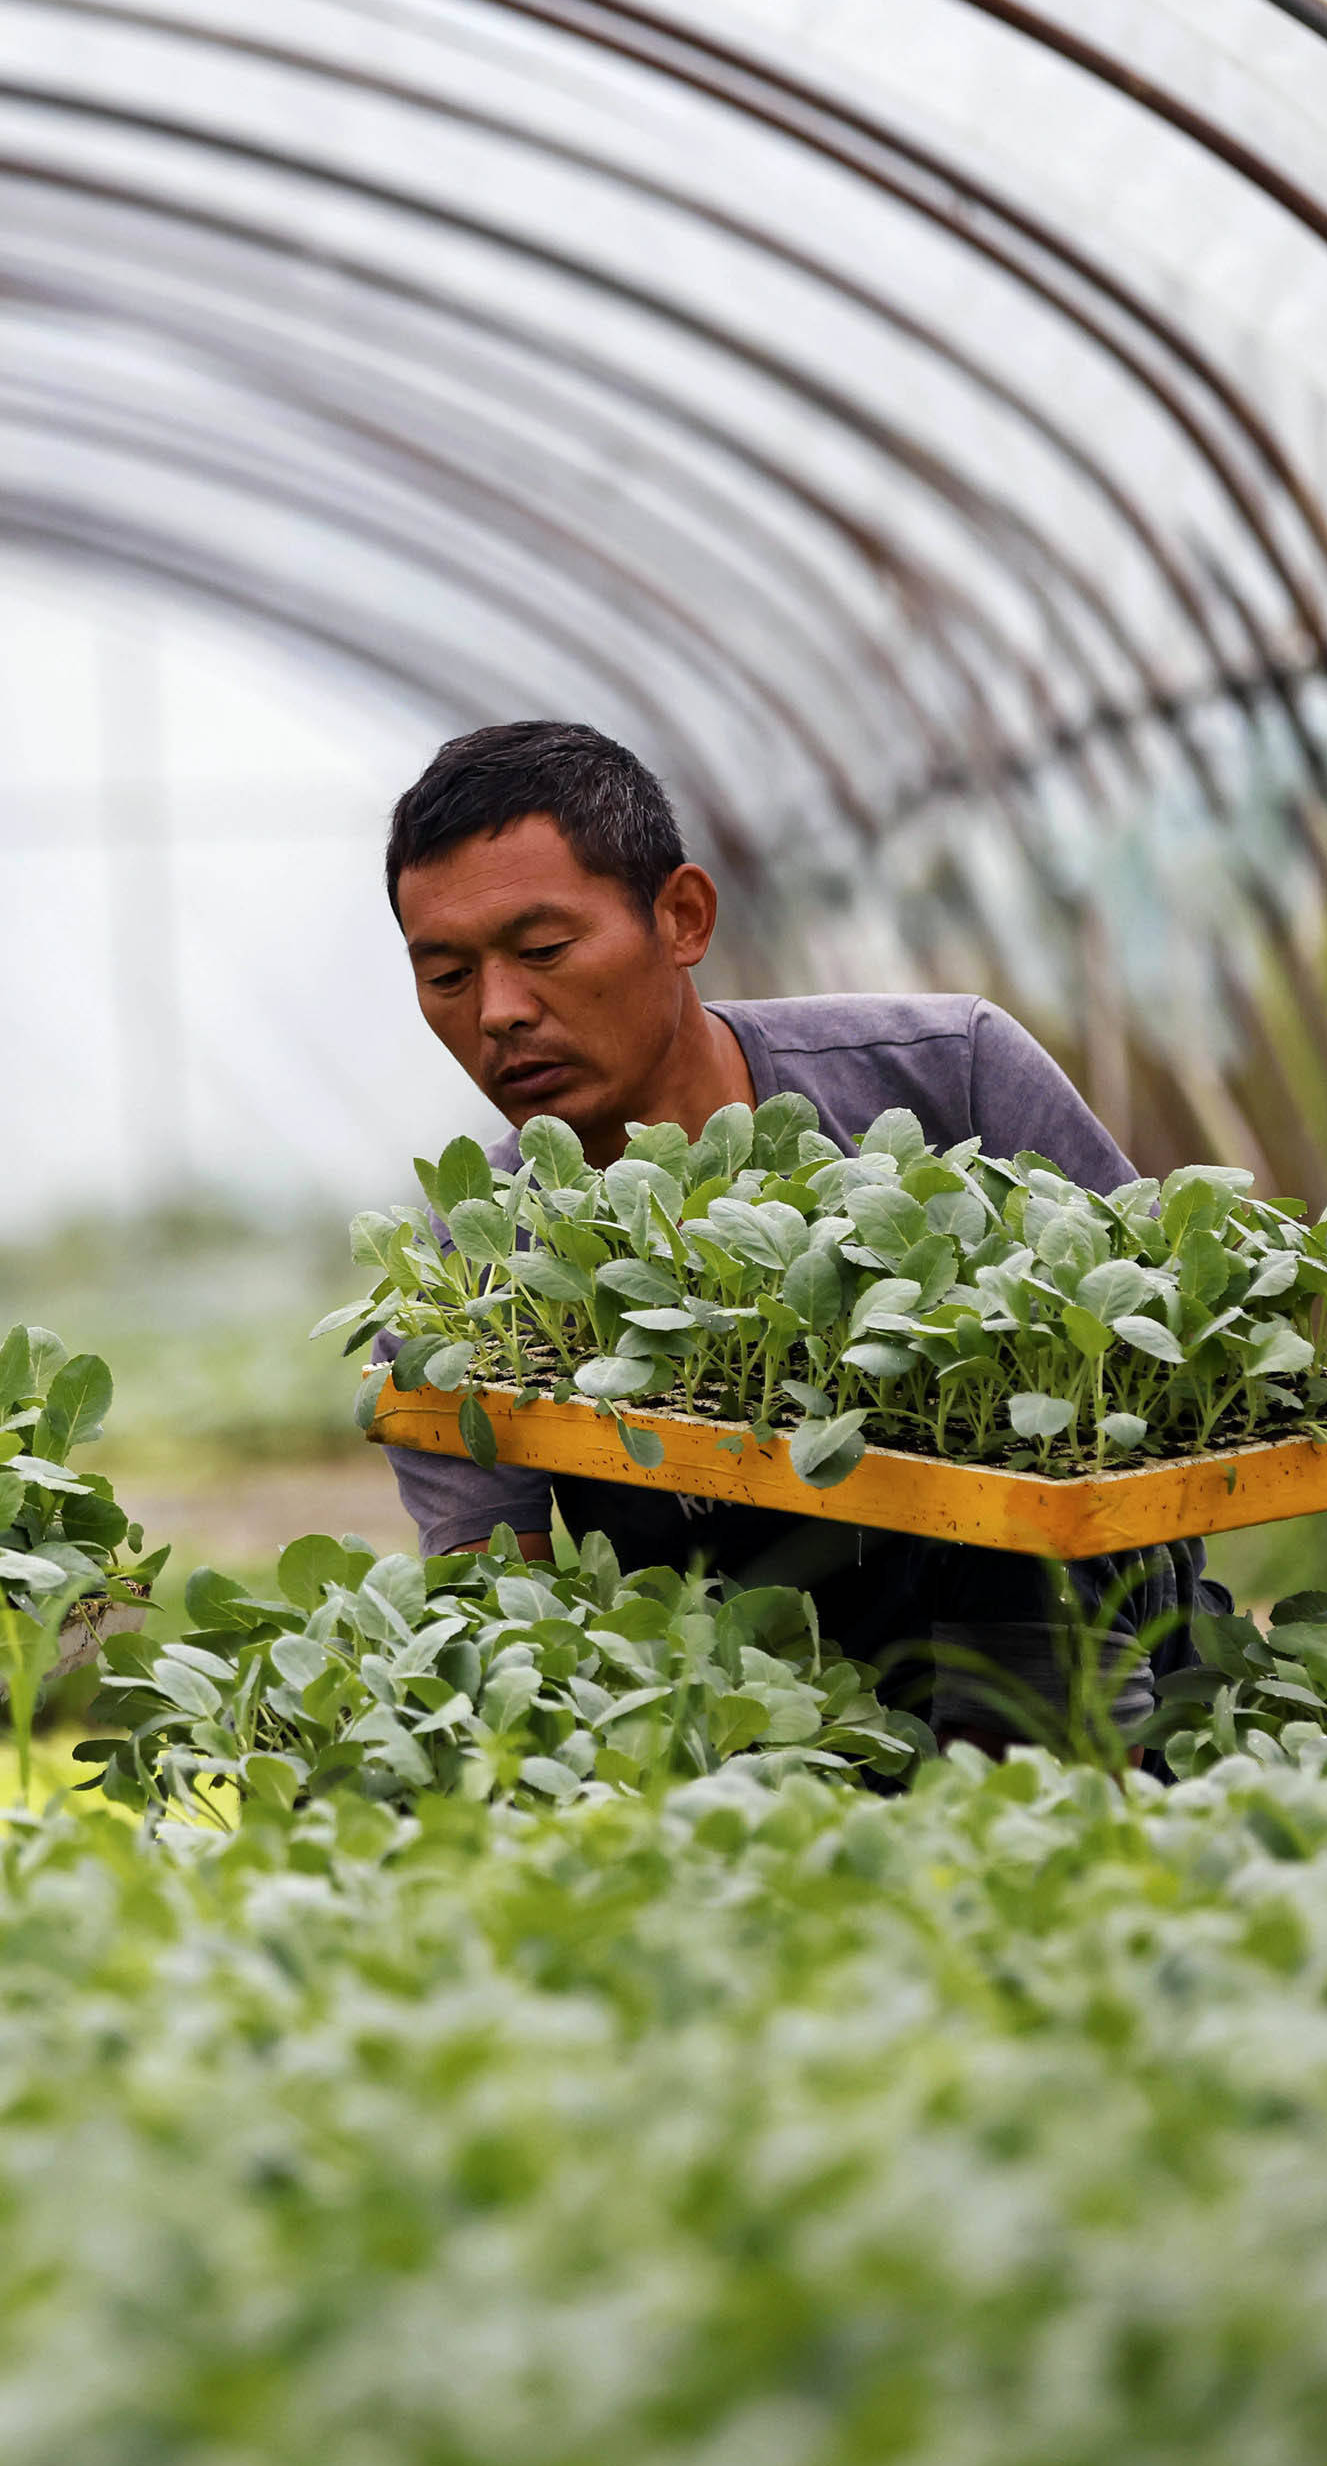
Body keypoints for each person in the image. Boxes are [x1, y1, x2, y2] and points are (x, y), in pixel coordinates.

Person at [376, 719, 1197, 1736]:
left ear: (680, 917)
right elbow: (499, 1616)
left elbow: (1175, 1363)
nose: (498, 1009)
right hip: (756, 1731)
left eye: (542, 950)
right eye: (447, 977)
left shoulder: (954, 1077)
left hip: (1093, 1677)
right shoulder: (470, 1268)